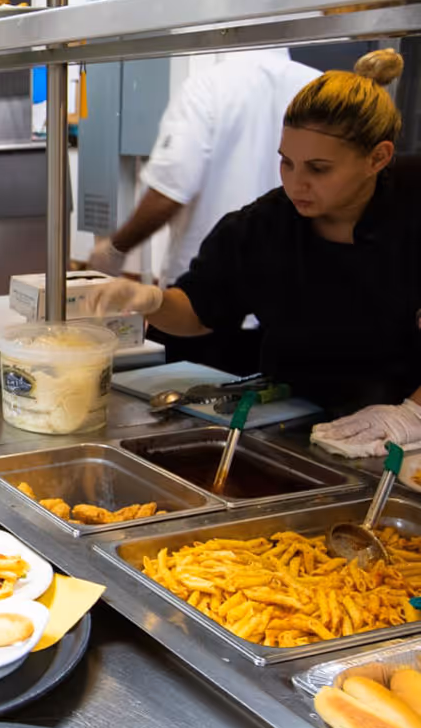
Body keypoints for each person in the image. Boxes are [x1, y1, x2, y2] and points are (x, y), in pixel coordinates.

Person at [95, 49, 421, 458]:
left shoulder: (414, 204)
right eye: (287, 163)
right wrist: (153, 301)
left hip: (408, 446)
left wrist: (412, 414)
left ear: (378, 158)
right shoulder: (264, 226)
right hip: (301, 429)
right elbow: (200, 309)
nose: (296, 184)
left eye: (318, 169)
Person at [88, 48, 320, 371]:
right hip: (282, 312)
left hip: (204, 302)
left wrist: (116, 248)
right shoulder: (315, 85)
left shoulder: (210, 86)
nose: (298, 183)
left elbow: (170, 190)